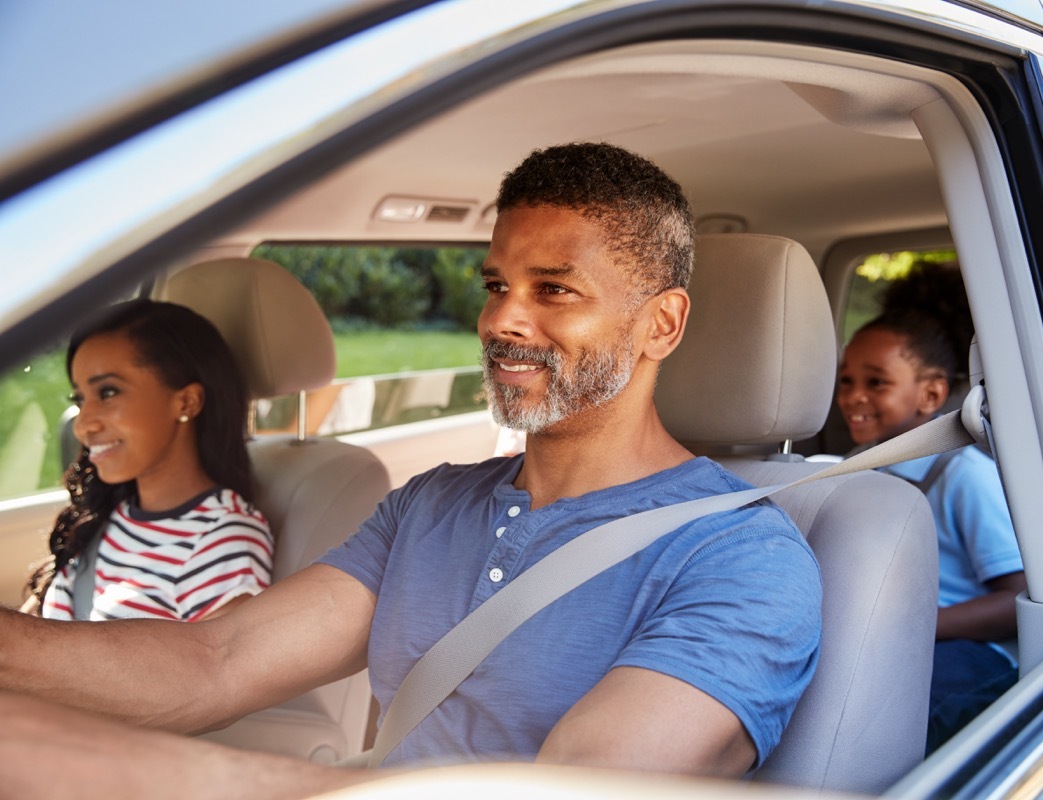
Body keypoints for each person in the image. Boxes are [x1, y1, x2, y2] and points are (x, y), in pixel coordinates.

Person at [0, 142, 821, 798]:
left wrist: (122, 772)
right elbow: (216, 661)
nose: (502, 318)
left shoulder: (743, 558)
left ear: (661, 326)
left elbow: (575, 787)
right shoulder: (430, 503)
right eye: (496, 283)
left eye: (554, 290)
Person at [835, 264, 1025, 754]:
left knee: (880, 731)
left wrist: (920, 627)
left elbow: (1016, 598)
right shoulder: (854, 468)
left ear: (933, 394)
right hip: (885, 640)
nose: (853, 396)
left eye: (876, 383)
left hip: (971, 652)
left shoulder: (962, 475)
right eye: (846, 380)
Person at [22, 299, 272, 622]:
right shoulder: (108, 514)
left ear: (187, 402)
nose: (83, 425)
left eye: (108, 393)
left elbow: (217, 670)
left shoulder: (223, 542)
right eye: (80, 399)